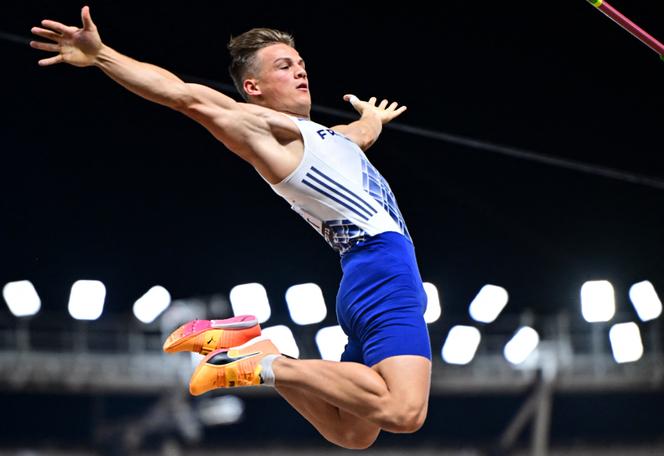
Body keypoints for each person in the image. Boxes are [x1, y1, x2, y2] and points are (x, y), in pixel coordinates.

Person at [31, 6, 432, 449]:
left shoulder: (325, 138)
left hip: (366, 276)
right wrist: (102, 54)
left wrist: (372, 118)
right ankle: (262, 362)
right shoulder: (263, 128)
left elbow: (357, 137)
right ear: (252, 88)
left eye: (301, 65)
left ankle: (265, 352)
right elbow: (182, 94)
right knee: (405, 411)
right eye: (284, 66)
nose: (300, 73)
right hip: (382, 271)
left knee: (352, 432)